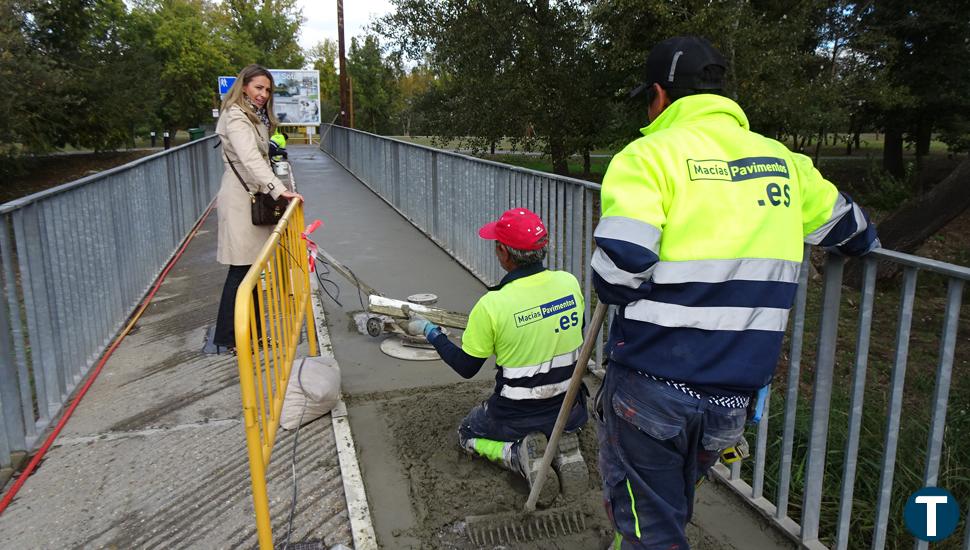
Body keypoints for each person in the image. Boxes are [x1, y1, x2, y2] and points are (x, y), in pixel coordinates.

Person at [591, 36, 879, 549]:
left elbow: (616, 278)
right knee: (671, 500)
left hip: (653, 386)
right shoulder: (784, 163)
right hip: (733, 399)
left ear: (659, 95)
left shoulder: (648, 156)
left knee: (651, 527)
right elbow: (857, 232)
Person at [400, 208, 591, 505]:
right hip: (570, 408)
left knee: (466, 433)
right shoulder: (569, 283)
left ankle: (517, 456)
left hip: (516, 417)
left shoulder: (492, 305)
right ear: (543, 249)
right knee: (561, 418)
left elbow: (466, 366)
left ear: (503, 252)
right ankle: (565, 447)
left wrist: (431, 331)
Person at [209, 64, 302, 354]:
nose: (263, 94)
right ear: (244, 86)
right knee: (242, 272)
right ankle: (234, 337)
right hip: (241, 202)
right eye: (258, 88)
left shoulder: (254, 117)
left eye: (267, 90)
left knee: (252, 272)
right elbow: (250, 159)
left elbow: (260, 157)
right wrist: (279, 189)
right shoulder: (236, 116)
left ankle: (249, 335)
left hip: (251, 198)